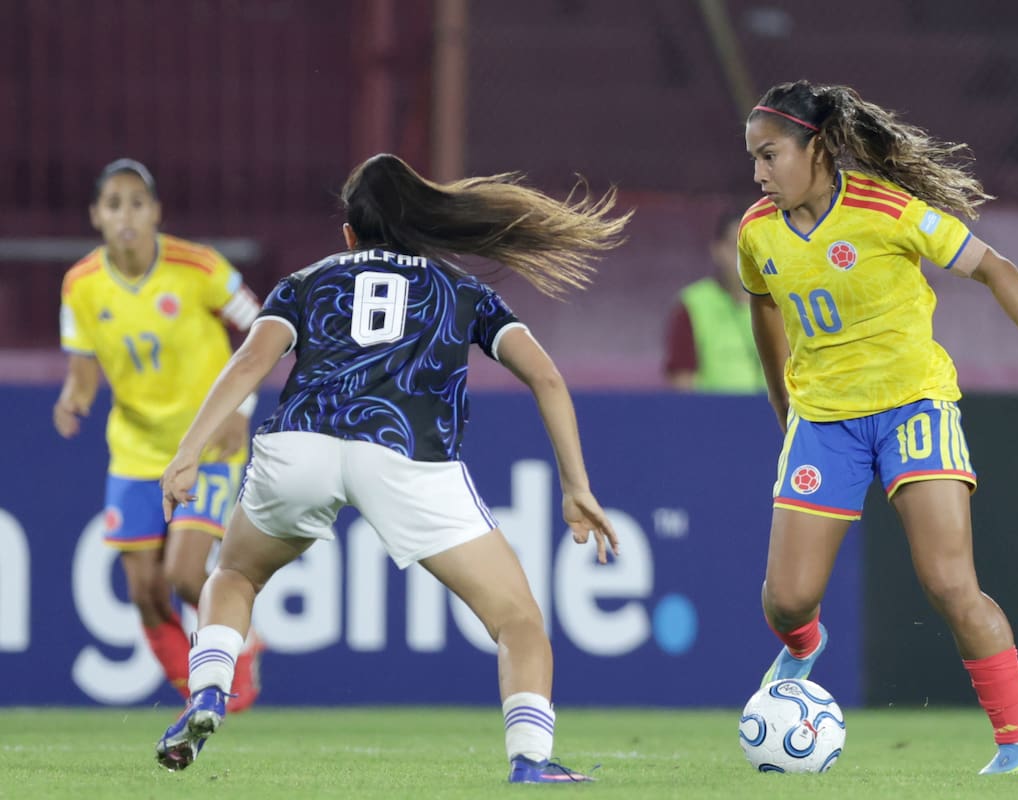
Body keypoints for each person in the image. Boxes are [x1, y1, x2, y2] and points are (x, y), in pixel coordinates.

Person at [154, 153, 630, 783]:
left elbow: (248, 363)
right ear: (418, 224)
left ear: (349, 234)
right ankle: (531, 761)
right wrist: (576, 487)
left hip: (303, 445)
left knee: (234, 575)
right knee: (518, 621)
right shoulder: (461, 290)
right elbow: (544, 375)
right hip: (407, 457)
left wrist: (188, 451)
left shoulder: (305, 282)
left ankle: (209, 690)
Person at [739, 81, 1018, 776]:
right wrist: (785, 405)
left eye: (771, 155)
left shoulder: (886, 210)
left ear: (818, 148)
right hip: (824, 422)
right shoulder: (758, 231)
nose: (758, 172)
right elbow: (763, 308)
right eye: (752, 157)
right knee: (786, 601)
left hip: (913, 408)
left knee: (950, 583)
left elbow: (996, 268)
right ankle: (806, 647)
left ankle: (1017, 745)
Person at [56, 158, 266, 713]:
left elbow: (265, 327)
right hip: (135, 449)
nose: (127, 215)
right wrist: (72, 400)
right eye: (115, 204)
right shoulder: (80, 286)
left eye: (137, 203)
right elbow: (82, 372)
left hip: (206, 444)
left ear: (156, 212)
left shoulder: (199, 268)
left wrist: (240, 407)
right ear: (96, 216)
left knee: (183, 571)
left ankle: (241, 655)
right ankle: (196, 699)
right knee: (146, 594)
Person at [663, 209, 766, 392]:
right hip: (711, 417)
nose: (747, 256)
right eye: (737, 246)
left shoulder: (785, 304)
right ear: (717, 250)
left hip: (774, 417)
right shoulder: (692, 305)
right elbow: (681, 382)